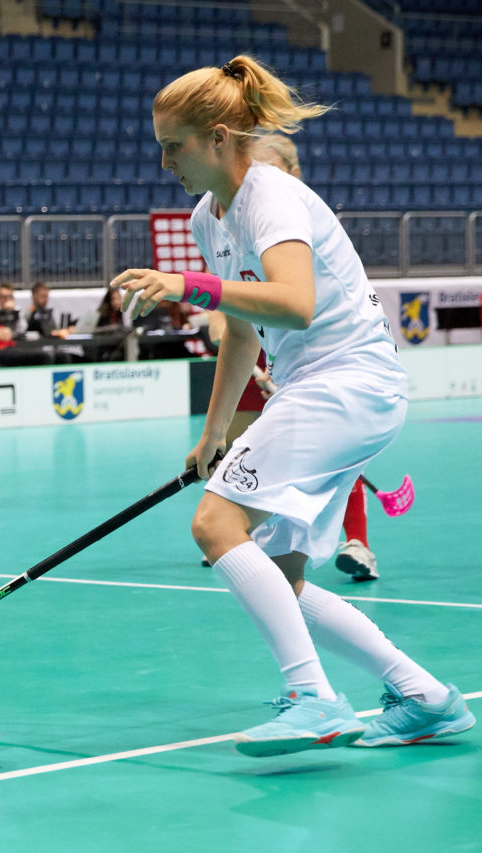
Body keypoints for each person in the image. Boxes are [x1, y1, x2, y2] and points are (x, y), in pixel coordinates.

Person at [113, 54, 474, 756]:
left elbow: (294, 303)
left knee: (217, 525)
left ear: (219, 136)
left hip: (346, 381)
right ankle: (427, 696)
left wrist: (188, 287)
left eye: (172, 146)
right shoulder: (207, 216)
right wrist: (214, 430)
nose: (164, 163)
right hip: (328, 387)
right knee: (282, 574)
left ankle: (313, 696)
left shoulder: (270, 193)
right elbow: (245, 332)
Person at [247, 132, 377, 581]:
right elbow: (239, 322)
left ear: (295, 173)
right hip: (284, 374)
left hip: (336, 377)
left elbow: (302, 309)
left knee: (337, 465)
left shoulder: (306, 229)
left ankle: (357, 541)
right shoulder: (245, 232)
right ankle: (240, 535)